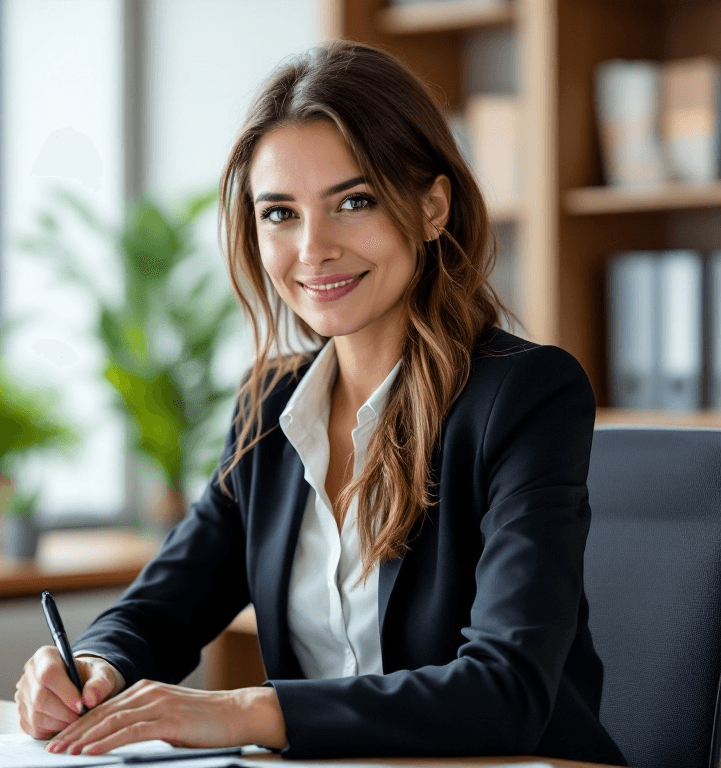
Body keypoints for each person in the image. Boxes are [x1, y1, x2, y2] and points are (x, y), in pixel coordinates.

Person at [15, 39, 627, 766]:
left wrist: (244, 709)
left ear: (432, 206)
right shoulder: (269, 405)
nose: (313, 249)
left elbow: (507, 690)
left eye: (354, 201)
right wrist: (93, 666)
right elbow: (164, 603)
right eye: (279, 213)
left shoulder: (523, 396)